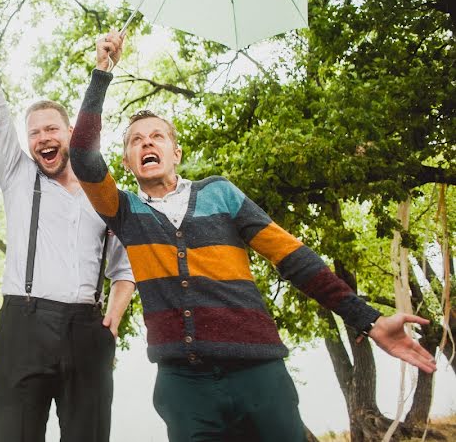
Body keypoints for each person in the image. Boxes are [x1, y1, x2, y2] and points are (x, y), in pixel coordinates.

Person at [69, 31, 437, 441]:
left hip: (260, 374)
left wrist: (367, 319)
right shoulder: (125, 211)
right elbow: (83, 155)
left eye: (157, 136)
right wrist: (103, 71)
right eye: (136, 141)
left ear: (176, 153)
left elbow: (294, 258)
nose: (146, 143)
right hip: (183, 386)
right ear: (128, 162)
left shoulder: (220, 194)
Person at [0, 0, 136, 442]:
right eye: (34, 133)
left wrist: (115, 314)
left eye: (51, 129)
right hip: (23, 328)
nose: (42, 139)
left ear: (70, 133)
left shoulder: (105, 193)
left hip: (88, 331)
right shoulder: (16, 172)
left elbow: (125, 265)